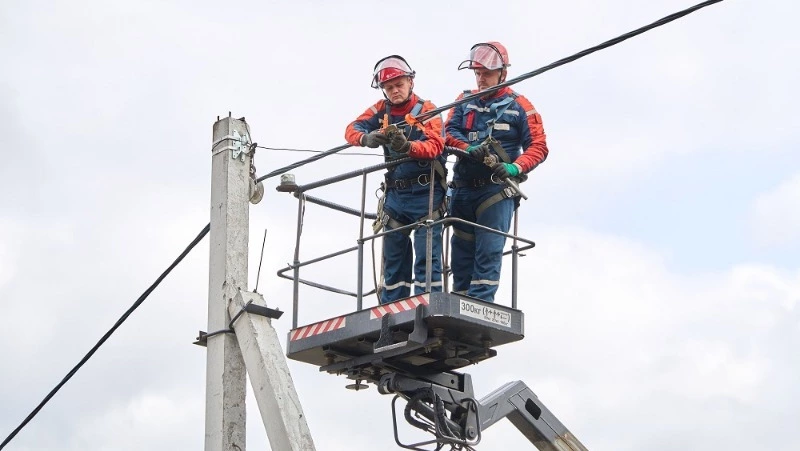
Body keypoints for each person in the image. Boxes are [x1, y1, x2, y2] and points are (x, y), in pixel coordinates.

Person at [444, 42, 549, 303]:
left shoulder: (520, 106)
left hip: (494, 192)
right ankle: (460, 304)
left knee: (489, 251)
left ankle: (480, 307)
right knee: (461, 255)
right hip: (463, 189)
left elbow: (539, 146)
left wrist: (515, 167)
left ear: (502, 73)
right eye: (477, 73)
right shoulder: (464, 101)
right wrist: (469, 148)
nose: (481, 79)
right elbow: (447, 133)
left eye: (486, 73)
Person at [345, 55, 447, 304]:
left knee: (427, 257)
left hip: (426, 194)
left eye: (399, 84)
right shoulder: (381, 110)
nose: (394, 91)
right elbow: (351, 128)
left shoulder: (427, 110)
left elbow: (436, 146)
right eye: (389, 87)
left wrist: (408, 146)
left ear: (410, 82)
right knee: (393, 259)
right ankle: (391, 311)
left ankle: (427, 305)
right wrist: (366, 138)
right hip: (396, 196)